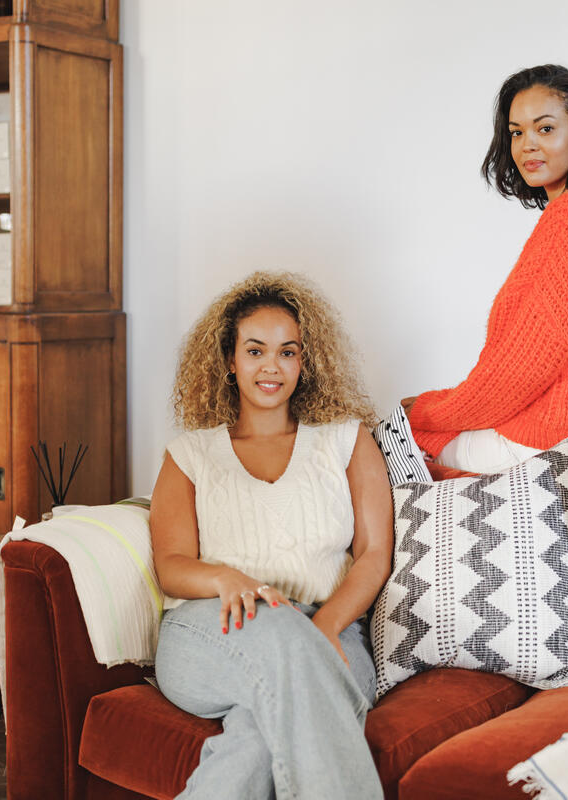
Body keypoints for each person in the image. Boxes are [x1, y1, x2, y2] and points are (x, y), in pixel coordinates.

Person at [150, 271, 392, 800]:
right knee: (287, 650)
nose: (271, 367)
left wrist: (325, 625)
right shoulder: (190, 454)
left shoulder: (345, 440)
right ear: (230, 360)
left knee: (256, 741)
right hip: (211, 629)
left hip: (331, 626)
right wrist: (224, 576)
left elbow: (375, 555)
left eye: (288, 352)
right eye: (255, 351)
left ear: (305, 363)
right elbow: (170, 563)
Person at [402, 64, 568, 473]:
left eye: (545, 129)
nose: (527, 146)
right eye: (517, 132)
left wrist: (428, 411)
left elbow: (522, 369)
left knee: (390, 438)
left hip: (561, 444)